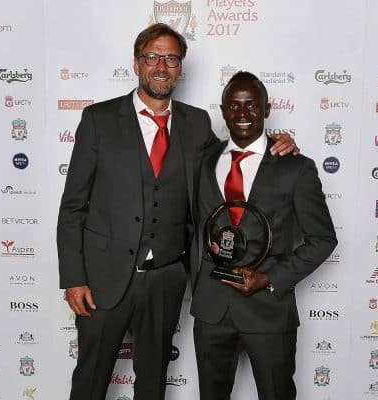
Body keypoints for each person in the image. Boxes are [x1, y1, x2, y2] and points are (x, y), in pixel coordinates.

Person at [57, 25, 297, 400]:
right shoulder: (98, 120)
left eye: (171, 58)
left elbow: (236, 157)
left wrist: (277, 143)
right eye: (152, 56)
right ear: (137, 63)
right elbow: (73, 206)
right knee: (90, 381)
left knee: (152, 383)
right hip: (103, 279)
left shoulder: (196, 122)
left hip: (165, 281)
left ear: (180, 67)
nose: (161, 66)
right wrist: (74, 278)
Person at [191, 71, 338, 400]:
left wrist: (268, 278)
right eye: (234, 105)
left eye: (252, 105)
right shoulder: (202, 161)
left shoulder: (296, 168)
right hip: (212, 309)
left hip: (269, 308)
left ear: (267, 109)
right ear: (223, 110)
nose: (242, 114)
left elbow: (323, 239)